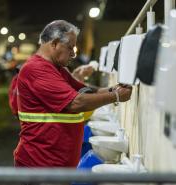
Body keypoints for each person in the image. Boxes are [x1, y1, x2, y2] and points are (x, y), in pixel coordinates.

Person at [14, 20, 132, 168]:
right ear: (55, 43)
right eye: (70, 47)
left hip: (54, 163)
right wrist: (115, 96)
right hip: (40, 164)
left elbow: (87, 90)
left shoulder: (57, 69)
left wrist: (115, 89)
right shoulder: (36, 69)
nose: (73, 54)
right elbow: (76, 102)